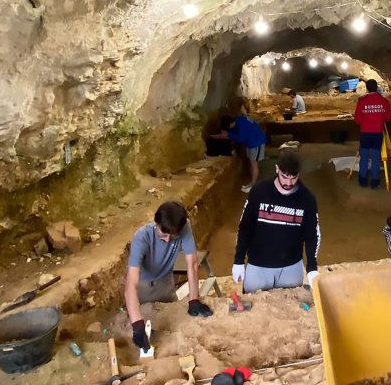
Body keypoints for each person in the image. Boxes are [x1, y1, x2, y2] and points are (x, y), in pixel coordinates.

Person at [124, 202, 213, 355]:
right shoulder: (141, 237)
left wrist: (194, 300)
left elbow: (191, 263)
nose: (167, 240)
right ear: (156, 223)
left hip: (166, 282)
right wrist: (137, 325)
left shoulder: (184, 227)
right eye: (163, 234)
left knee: (171, 326)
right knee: (148, 328)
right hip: (142, 286)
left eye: (172, 236)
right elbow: (131, 283)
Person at [232, 149, 322, 292]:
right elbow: (245, 227)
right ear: (277, 169)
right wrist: (238, 260)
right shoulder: (259, 192)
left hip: (291, 267)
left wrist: (312, 267)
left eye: (294, 177)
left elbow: (312, 235)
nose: (289, 182)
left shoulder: (307, 199)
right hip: (258, 266)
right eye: (284, 177)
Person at [353, 79, 391, 189]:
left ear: (367, 88)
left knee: (364, 157)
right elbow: (388, 118)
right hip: (377, 134)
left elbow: (357, 120)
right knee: (376, 157)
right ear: (377, 88)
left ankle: (363, 180)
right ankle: (375, 181)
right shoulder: (384, 101)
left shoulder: (362, 101)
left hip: (365, 133)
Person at [213, 113, 267, 192]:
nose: (229, 129)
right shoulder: (239, 119)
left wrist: (229, 134)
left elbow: (241, 139)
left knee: (254, 165)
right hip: (251, 142)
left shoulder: (241, 126)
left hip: (257, 143)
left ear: (230, 124)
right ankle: (251, 183)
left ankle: (253, 185)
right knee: (251, 163)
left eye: (228, 127)